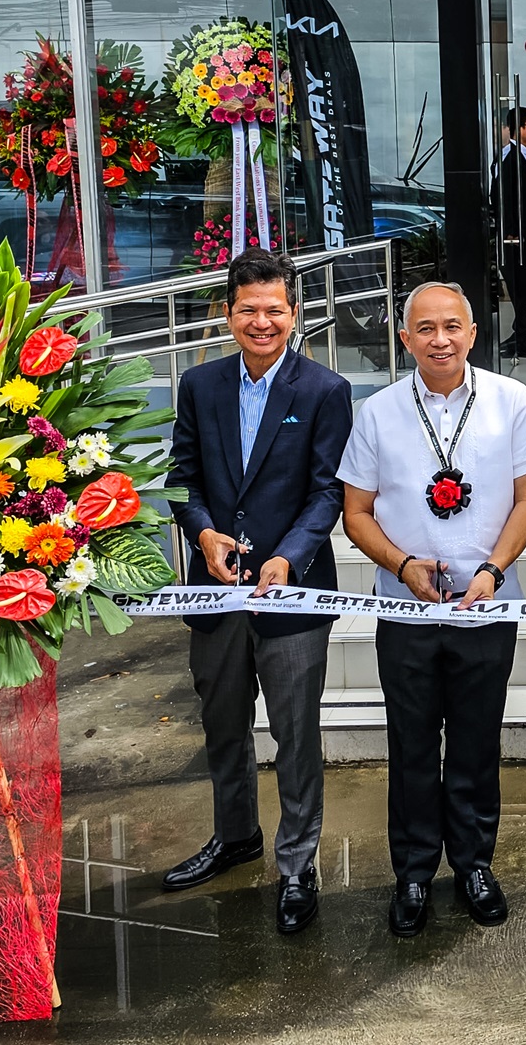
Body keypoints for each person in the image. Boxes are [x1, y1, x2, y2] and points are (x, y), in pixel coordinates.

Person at [338, 282, 526, 937]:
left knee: (476, 743)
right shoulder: (377, 413)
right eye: (425, 328)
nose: (440, 339)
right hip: (406, 611)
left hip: (488, 607)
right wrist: (402, 566)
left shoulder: (511, 402)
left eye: (452, 326)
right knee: (410, 745)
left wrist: (492, 570)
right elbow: (356, 513)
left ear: (474, 332)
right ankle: (411, 871)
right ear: (404, 339)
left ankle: (474, 865)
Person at [164, 249, 354, 935]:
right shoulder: (200, 385)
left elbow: (329, 489)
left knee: (295, 733)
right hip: (213, 593)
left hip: (292, 596)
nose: (262, 321)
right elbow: (180, 477)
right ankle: (234, 834)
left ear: (294, 313)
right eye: (248, 310)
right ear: (227, 313)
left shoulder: (324, 390)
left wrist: (289, 556)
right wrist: (204, 533)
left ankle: (297, 861)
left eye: (275, 309)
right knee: (222, 726)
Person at [495, 106, 526, 358]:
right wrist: (512, 232)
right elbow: (502, 198)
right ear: (518, 129)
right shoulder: (508, 158)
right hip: (517, 236)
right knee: (519, 285)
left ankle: (523, 333)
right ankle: (520, 336)